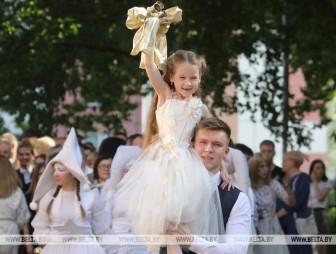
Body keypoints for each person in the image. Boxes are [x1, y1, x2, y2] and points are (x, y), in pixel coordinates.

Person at [117, 35, 229, 254]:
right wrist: (149, 34)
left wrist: (223, 168)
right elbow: (149, 66)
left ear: (200, 78)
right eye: (183, 77)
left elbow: (217, 138)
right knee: (166, 225)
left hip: (188, 167)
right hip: (161, 164)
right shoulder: (165, 95)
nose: (188, 83)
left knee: (180, 226)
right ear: (171, 78)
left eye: (194, 78)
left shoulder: (201, 108)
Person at [165, 117, 251, 254]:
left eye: (217, 144)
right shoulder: (169, 185)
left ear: (226, 152)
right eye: (203, 142)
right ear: (193, 145)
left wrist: (191, 241)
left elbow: (238, 250)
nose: (208, 149)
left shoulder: (238, 199)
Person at [30, 128, 116, 254]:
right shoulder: (49, 197)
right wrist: (53, 238)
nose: (56, 174)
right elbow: (39, 228)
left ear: (72, 172)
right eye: (54, 169)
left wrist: (112, 250)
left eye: (61, 170)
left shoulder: (91, 195)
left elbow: (103, 229)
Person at [102, 145, 148, 254]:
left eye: (133, 170)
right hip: (118, 244)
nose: (129, 174)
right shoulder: (112, 194)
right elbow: (105, 222)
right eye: (127, 170)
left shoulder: (145, 194)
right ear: (121, 172)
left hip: (141, 244)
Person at [249, 153, 294, 254]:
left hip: (273, 228)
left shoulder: (273, 184)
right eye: (262, 166)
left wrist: (288, 186)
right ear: (255, 167)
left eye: (267, 166)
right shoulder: (247, 187)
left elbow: (290, 202)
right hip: (255, 229)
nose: (265, 169)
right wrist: (254, 212)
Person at [277, 151, 313, 254]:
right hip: (284, 225)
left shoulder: (303, 178)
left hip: (296, 226)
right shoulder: (282, 180)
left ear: (293, 161)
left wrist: (278, 215)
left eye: (285, 160)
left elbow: (297, 201)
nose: (282, 163)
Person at [0, 155, 32, 254]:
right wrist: (28, 244)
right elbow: (23, 218)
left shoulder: (16, 191)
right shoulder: (16, 192)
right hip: (10, 233)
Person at [308, 159, 331, 254]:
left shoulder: (326, 183)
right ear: (312, 170)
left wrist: (314, 182)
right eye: (318, 168)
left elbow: (320, 197)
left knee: (320, 241)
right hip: (307, 211)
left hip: (319, 212)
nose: (321, 170)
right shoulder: (306, 182)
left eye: (322, 168)